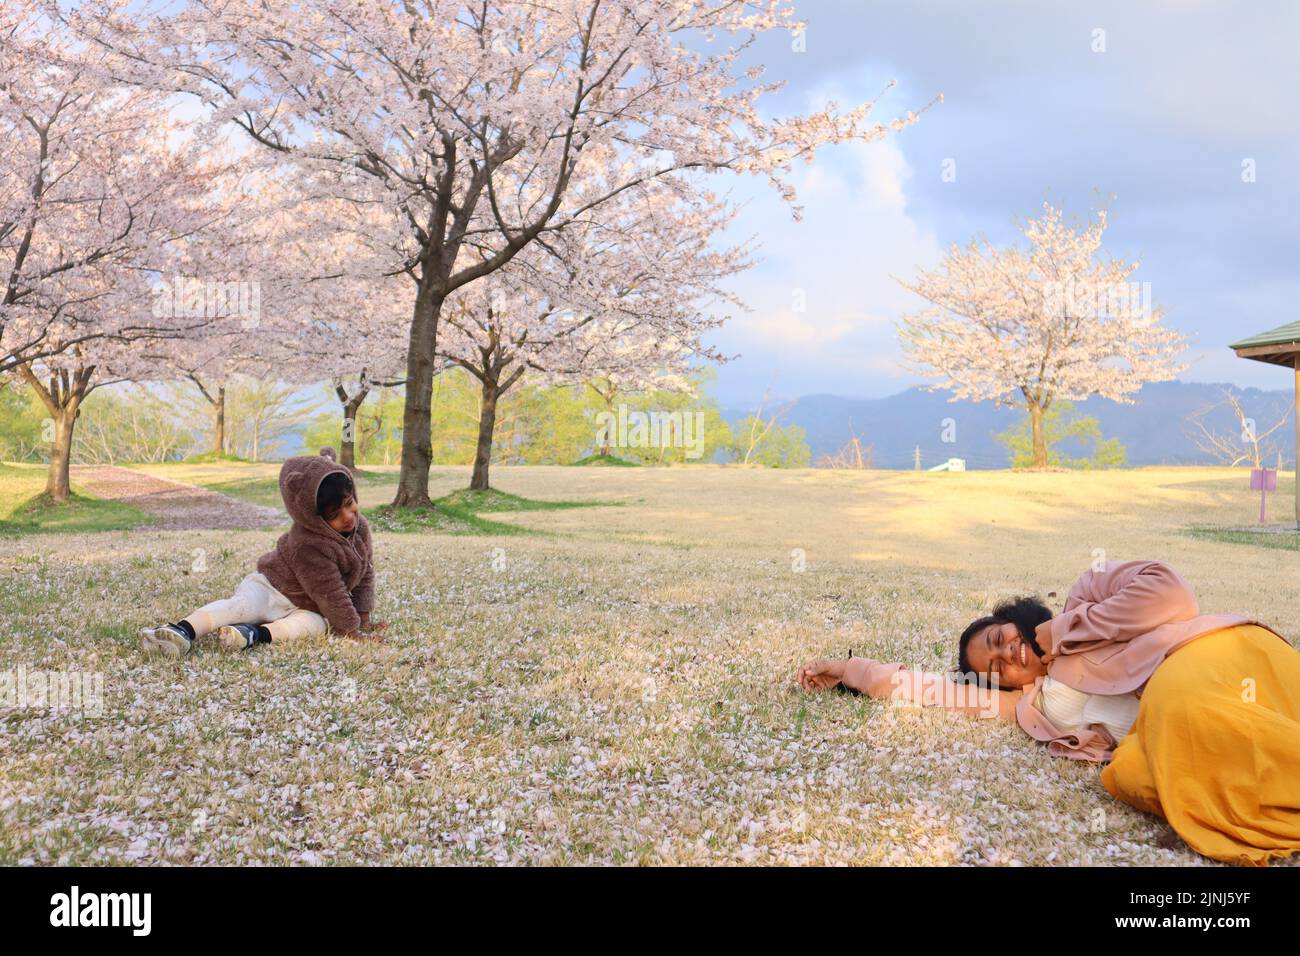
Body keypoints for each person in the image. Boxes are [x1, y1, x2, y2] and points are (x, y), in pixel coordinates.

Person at [797, 559, 1300, 866]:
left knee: (1184, 707)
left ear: (1014, 619)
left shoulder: (1087, 596)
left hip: (1215, 659)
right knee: (1133, 777)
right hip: (1178, 726)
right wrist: (851, 669)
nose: (1008, 657)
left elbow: (1172, 594)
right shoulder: (1029, 706)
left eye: (1000, 639)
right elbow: (928, 689)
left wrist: (1062, 633)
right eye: (995, 669)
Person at [140, 447, 384, 656]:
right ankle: (182, 630)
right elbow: (329, 591)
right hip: (270, 588)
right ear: (311, 516)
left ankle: (251, 634)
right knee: (243, 607)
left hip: (309, 605)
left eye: (349, 504)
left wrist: (362, 618)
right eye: (334, 515)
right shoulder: (308, 544)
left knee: (313, 625)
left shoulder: (360, 528)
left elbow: (365, 572)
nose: (348, 517)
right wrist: (351, 631)